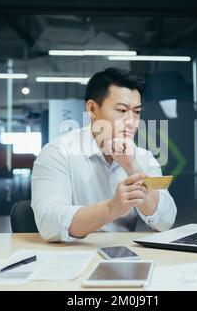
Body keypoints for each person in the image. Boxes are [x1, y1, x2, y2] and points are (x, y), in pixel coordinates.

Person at [31, 67, 177, 242]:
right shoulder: (58, 152)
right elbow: (49, 224)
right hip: (73, 254)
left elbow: (166, 221)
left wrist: (133, 168)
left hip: (125, 256)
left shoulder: (143, 157)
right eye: (122, 110)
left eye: (137, 112)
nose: (132, 122)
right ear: (92, 109)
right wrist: (110, 209)